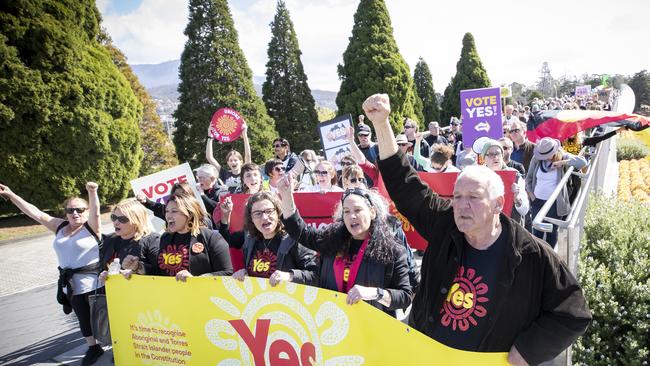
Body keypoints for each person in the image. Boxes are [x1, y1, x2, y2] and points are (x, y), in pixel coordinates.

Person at [362, 93, 591, 365]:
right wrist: (381, 124)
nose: (461, 205)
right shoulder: (446, 224)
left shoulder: (530, 255)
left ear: (497, 204)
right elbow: (405, 184)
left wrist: (527, 352)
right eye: (457, 197)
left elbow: (573, 313)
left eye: (473, 197)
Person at [0, 182, 106, 365]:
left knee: (103, 317)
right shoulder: (60, 227)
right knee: (82, 317)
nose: (75, 213)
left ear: (86, 211)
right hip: (71, 284)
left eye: (80, 210)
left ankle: (117, 346)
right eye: (70, 210)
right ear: (65, 212)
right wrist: (11, 195)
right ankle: (93, 348)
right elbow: (36, 213)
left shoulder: (91, 227)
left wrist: (92, 191)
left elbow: (96, 211)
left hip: (94, 283)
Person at [278, 177, 413, 317]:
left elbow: (404, 297)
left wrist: (375, 293)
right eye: (346, 211)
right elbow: (300, 231)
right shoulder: (331, 241)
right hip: (332, 324)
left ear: (372, 212)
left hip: (370, 328)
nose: (352, 216)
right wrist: (287, 195)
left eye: (358, 210)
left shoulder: (392, 250)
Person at [218, 192, 318, 285]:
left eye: (269, 211)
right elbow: (225, 239)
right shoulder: (249, 240)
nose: (264, 217)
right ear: (251, 219)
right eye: (258, 213)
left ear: (278, 213)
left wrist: (290, 276)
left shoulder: (294, 240)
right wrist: (244, 273)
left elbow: (316, 275)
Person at [147, 193, 233, 280]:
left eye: (174, 211)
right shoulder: (165, 238)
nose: (168, 216)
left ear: (189, 213)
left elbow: (227, 272)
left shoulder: (211, 237)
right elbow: (159, 272)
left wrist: (196, 280)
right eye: (167, 211)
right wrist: (140, 267)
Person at [525, 137, 587, 248]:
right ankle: (538, 258)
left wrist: (563, 162)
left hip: (554, 203)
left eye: (546, 154)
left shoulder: (563, 156)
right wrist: (531, 195)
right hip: (537, 201)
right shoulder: (536, 159)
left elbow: (583, 162)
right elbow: (528, 178)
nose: (543, 157)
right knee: (537, 233)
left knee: (551, 233)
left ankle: (550, 258)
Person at [98, 199, 160, 282]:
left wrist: (138, 268)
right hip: (116, 291)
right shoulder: (110, 239)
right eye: (114, 217)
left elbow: (159, 271)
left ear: (137, 221)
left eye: (122, 219)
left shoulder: (152, 239)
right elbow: (102, 267)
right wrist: (103, 274)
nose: (116, 222)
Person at [480, 139, 529, 225]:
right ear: (484, 158)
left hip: (510, 227)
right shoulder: (478, 177)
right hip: (486, 227)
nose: (495, 157)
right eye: (491, 154)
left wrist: (517, 199)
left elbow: (524, 210)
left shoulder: (515, 175)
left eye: (498, 153)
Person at [206, 123, 251, 193]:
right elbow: (209, 157)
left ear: (241, 162)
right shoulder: (224, 173)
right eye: (231, 160)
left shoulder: (245, 172)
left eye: (235, 160)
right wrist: (210, 137)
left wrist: (244, 135)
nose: (233, 162)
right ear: (228, 163)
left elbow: (248, 155)